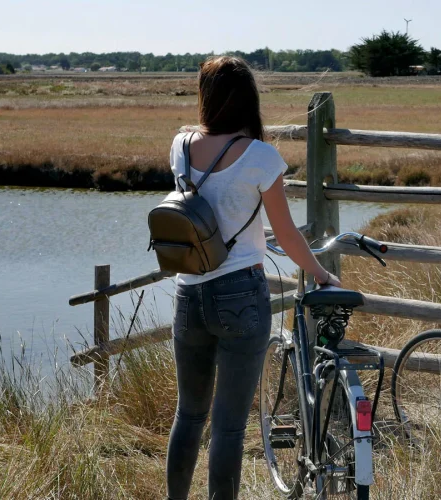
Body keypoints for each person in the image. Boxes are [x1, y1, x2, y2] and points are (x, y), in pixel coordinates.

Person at [165, 56, 340, 500]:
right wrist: (320, 274)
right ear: (248, 100)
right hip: (241, 293)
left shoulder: (181, 145)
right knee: (228, 426)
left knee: (188, 415)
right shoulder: (260, 156)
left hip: (189, 293)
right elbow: (287, 235)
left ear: (206, 97)